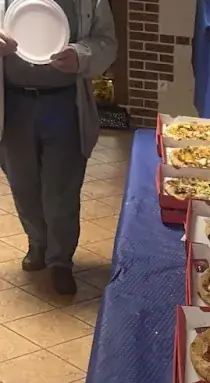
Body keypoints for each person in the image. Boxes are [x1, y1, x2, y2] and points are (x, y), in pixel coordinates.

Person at [0, 0, 117, 295]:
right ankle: (37, 244)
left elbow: (107, 42)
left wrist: (81, 55)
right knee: (23, 183)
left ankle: (60, 260)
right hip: (13, 103)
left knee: (61, 187)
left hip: (64, 102)